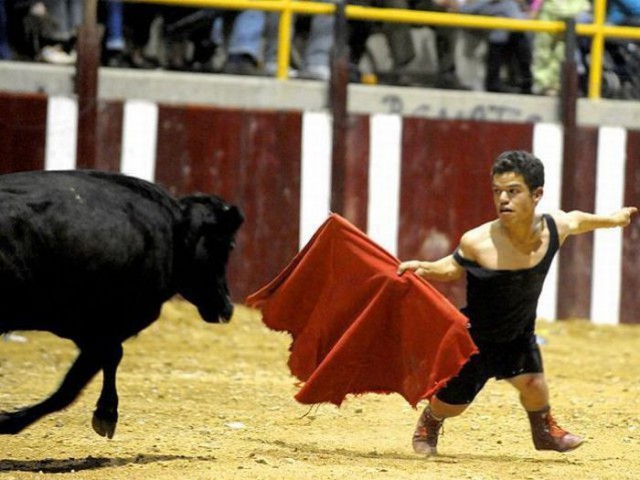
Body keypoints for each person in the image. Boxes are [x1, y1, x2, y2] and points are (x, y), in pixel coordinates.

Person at [397, 150, 638, 455]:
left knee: (535, 385)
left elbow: (578, 220)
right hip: (477, 339)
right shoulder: (478, 241)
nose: (503, 200)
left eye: (513, 191)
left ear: (537, 194)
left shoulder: (554, 228)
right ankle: (429, 423)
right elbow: (452, 267)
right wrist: (425, 268)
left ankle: (544, 432)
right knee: (452, 403)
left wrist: (614, 220)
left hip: (519, 334)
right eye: (497, 192)